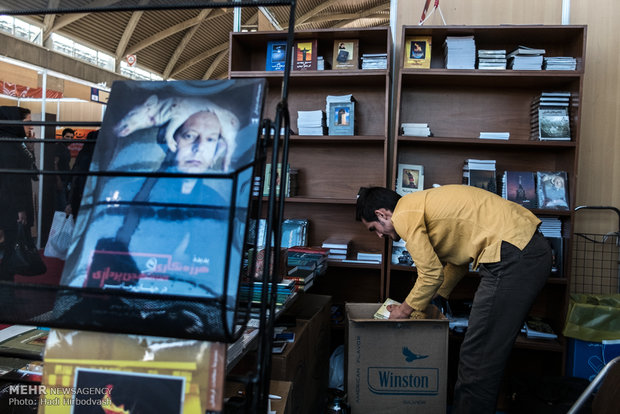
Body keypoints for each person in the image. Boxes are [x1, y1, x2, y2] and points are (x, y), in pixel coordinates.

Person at [355, 184, 552, 414]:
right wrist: (436, 297)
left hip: (513, 255)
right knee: (481, 353)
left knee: (477, 356)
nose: (380, 236)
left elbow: (429, 274)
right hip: (521, 249)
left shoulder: (404, 214)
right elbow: (457, 263)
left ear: (382, 214)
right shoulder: (419, 204)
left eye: (374, 229)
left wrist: (402, 311)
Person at [0, 106, 36, 280]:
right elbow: (11, 181)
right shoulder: (7, 145)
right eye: (27, 122)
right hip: (11, 206)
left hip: (13, 204)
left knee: (11, 248)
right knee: (11, 248)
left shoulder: (16, 142)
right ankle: (7, 290)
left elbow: (33, 173)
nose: (31, 127)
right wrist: (20, 208)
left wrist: (30, 148)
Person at [65, 130, 98, 219]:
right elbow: (77, 179)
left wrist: (70, 202)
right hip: (85, 198)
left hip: (79, 199)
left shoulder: (83, 154)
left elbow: (74, 178)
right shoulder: (92, 157)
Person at [54, 128, 74, 211]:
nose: (69, 139)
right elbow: (54, 164)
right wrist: (58, 180)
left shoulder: (65, 148)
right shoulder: (59, 147)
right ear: (62, 136)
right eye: (67, 136)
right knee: (62, 208)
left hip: (65, 180)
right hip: (60, 181)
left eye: (71, 137)